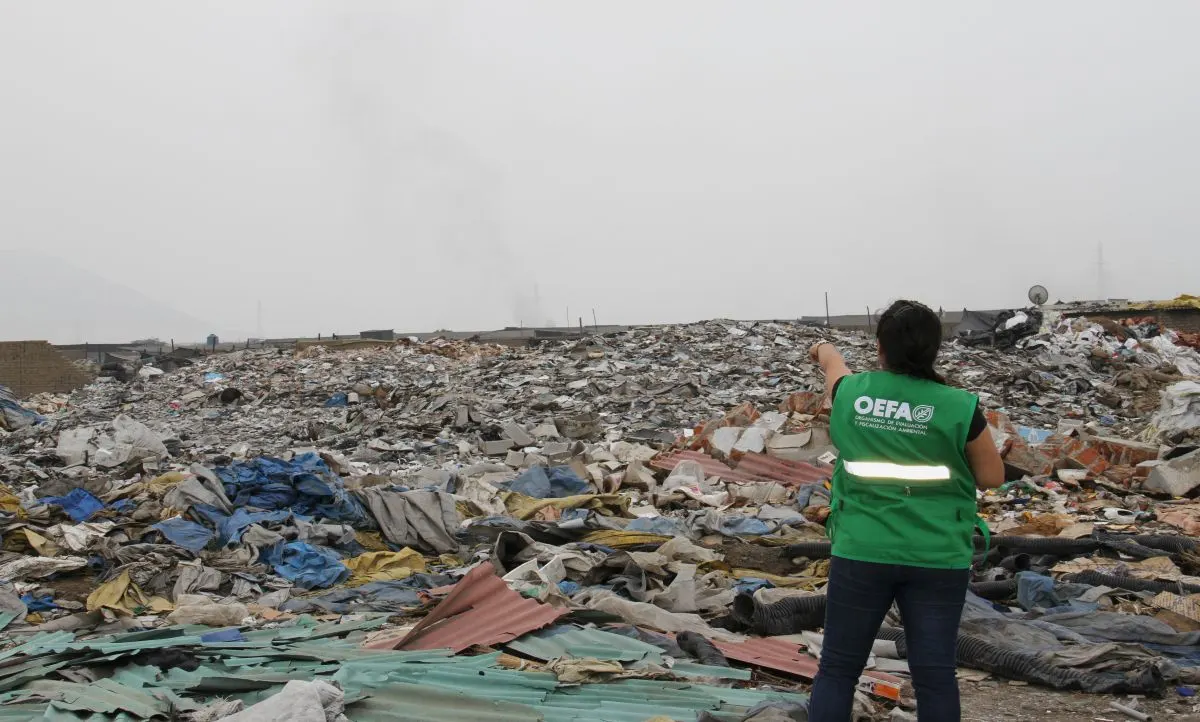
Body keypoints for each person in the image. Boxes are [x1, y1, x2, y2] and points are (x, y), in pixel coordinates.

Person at [807, 299, 1005, 722]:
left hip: (862, 550)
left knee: (838, 669)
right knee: (934, 674)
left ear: (880, 347)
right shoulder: (960, 406)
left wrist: (824, 350)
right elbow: (991, 477)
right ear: (935, 349)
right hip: (936, 555)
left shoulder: (853, 394)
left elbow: (833, 369)